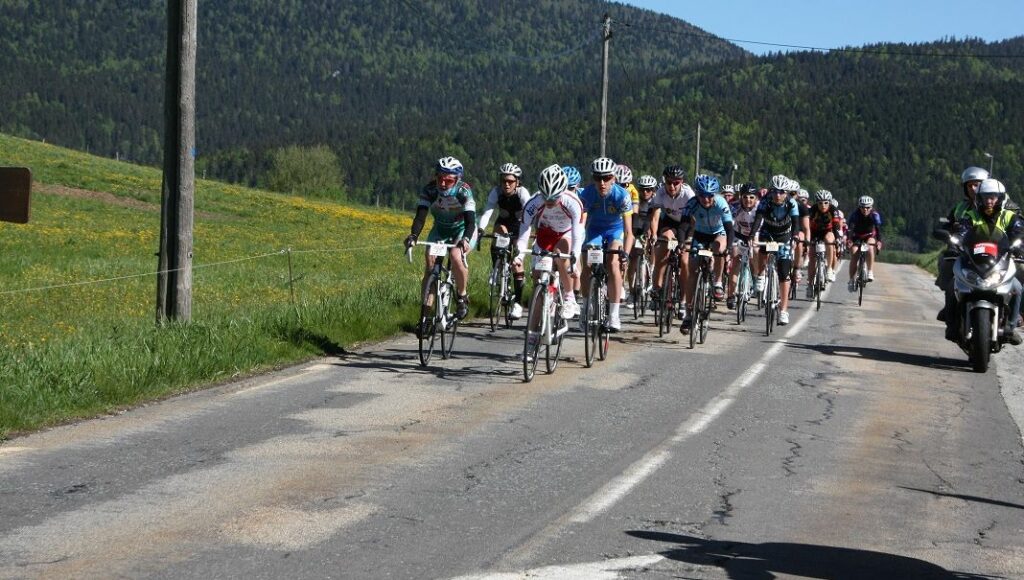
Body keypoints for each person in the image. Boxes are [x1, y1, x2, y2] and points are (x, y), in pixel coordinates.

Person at [518, 165, 585, 358]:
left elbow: (578, 232)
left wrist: (574, 257)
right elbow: (524, 231)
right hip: (545, 235)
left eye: (553, 198)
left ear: (562, 191)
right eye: (545, 197)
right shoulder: (534, 202)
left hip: (567, 234)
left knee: (559, 254)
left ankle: (570, 296)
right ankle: (531, 342)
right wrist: (519, 255)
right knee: (538, 285)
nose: (549, 202)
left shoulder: (572, 202)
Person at [950, 178, 1024, 344]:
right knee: (952, 284)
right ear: (979, 199)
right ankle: (953, 323)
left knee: (1017, 288)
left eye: (993, 197)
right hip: (974, 262)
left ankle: (1011, 327)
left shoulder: (1009, 216)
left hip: (1000, 263)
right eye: (985, 197)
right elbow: (962, 230)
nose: (989, 201)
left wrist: (1019, 245)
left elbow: (1019, 232)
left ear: (1000, 198)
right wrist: (956, 241)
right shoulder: (971, 215)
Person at [404, 156, 477, 323]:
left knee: (455, 256)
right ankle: (425, 316)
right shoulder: (430, 190)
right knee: (430, 266)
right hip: (441, 229)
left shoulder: (463, 191)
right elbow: (420, 217)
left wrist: (465, 239)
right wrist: (413, 236)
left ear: (457, 179)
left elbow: (471, 221)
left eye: (448, 181)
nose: (443, 184)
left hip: (462, 229)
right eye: (440, 179)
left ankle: (462, 296)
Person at [579, 156, 634, 332]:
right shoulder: (586, 194)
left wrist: (625, 253)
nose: (602, 183)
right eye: (597, 178)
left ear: (614, 178)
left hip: (614, 231)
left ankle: (614, 314)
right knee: (587, 263)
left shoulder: (622, 195)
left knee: (612, 262)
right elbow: (581, 223)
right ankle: (586, 307)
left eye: (606, 178)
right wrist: (579, 244)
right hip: (594, 230)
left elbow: (629, 232)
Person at [477, 163, 532, 319]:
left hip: (521, 225)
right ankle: (497, 268)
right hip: (503, 224)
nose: (506, 184)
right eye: (503, 181)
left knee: (517, 264)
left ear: (517, 182)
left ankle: (518, 304)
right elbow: (488, 212)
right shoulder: (496, 192)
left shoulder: (523, 193)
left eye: (510, 181)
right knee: (499, 232)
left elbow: (529, 217)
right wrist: (481, 229)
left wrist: (520, 242)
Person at [679, 174, 734, 332]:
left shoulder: (721, 203)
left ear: (715, 195)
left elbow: (729, 229)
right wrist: (682, 243)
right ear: (697, 194)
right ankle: (689, 315)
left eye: (710, 195)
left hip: (719, 233)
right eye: (702, 195)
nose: (706, 199)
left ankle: (717, 282)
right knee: (692, 272)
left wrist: (728, 249)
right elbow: (683, 226)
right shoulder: (692, 203)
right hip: (700, 235)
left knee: (719, 248)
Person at [936, 166, 988, 321]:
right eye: (969, 185)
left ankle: (1016, 311)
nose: (973, 188)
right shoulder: (960, 208)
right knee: (947, 263)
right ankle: (950, 307)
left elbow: (1015, 222)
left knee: (1018, 270)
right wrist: (945, 231)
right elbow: (948, 224)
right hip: (964, 251)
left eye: (977, 184)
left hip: (994, 252)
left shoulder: (1000, 204)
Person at [647, 164, 694, 318]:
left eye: (676, 183)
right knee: (663, 246)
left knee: (685, 262)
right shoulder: (660, 193)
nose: (672, 186)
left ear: (681, 182)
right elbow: (655, 216)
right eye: (669, 182)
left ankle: (683, 301)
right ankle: (657, 288)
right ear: (664, 181)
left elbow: (695, 220)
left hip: (687, 225)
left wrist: (689, 240)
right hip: (670, 223)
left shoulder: (688, 194)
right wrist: (654, 235)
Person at [751, 180, 801, 325]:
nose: (777, 195)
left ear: (786, 193)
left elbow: (796, 223)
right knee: (762, 249)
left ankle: (784, 310)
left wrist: (796, 237)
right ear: (771, 191)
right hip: (768, 233)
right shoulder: (765, 201)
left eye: (781, 192)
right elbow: (758, 219)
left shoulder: (791, 203)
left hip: (784, 235)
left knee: (784, 274)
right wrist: (751, 235)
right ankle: (760, 275)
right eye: (775, 191)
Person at [726, 183, 759, 310]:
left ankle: (756, 276)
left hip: (756, 233)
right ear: (740, 197)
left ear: (756, 198)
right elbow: (730, 225)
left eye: (751, 197)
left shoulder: (759, 208)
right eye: (745, 197)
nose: (748, 200)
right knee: (735, 258)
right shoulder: (734, 207)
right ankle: (731, 295)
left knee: (756, 250)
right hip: (739, 233)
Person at [626, 174, 657, 300]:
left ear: (653, 190)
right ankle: (632, 291)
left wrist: (652, 232)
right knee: (633, 256)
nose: (645, 192)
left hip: (651, 222)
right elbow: (634, 217)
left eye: (648, 189)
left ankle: (652, 267)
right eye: (642, 189)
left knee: (655, 243)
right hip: (638, 223)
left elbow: (655, 219)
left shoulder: (656, 200)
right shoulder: (635, 199)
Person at [806, 189, 842, 296]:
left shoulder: (833, 209)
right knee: (812, 258)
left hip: (828, 231)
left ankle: (830, 269)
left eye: (826, 202)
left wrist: (837, 239)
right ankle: (810, 284)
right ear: (816, 203)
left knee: (829, 241)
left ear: (829, 203)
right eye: (820, 203)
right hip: (815, 232)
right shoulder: (812, 210)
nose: (823, 205)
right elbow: (807, 224)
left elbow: (836, 225)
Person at [846, 195, 883, 291]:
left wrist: (879, 241)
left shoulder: (875, 215)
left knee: (870, 247)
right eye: (863, 207)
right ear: (859, 207)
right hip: (856, 236)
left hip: (869, 235)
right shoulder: (855, 215)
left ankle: (870, 271)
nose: (865, 210)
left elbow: (878, 229)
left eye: (868, 207)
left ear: (871, 207)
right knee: (854, 254)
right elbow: (850, 229)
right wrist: (849, 240)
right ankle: (851, 280)